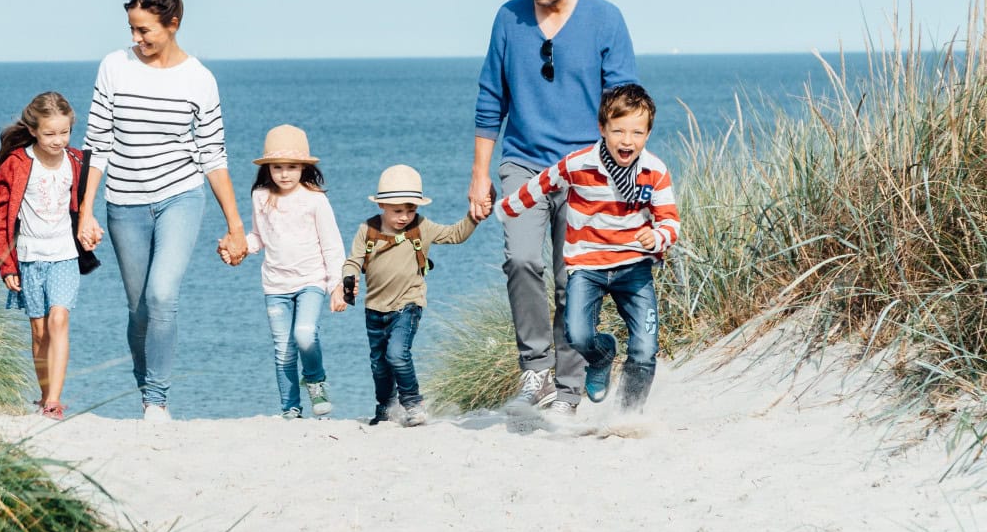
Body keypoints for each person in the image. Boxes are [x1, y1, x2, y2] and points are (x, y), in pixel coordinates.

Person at [468, 0, 638, 420]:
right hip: (522, 162)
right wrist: (480, 176)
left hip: (586, 169)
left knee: (573, 279)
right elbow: (489, 100)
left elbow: (625, 106)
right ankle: (535, 369)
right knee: (522, 259)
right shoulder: (508, 19)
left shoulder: (606, 19)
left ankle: (568, 387)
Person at [76, 0, 248, 423]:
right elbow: (99, 141)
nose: (137, 38)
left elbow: (213, 154)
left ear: (173, 25)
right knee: (138, 311)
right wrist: (85, 210)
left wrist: (236, 225)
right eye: (132, 29)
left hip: (181, 197)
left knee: (162, 296)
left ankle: (157, 400)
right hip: (124, 203)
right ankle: (145, 386)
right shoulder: (114, 66)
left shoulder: (200, 79)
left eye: (145, 30)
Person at [495, 84, 679, 411]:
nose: (627, 140)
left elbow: (669, 220)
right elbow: (542, 183)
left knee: (645, 345)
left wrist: (658, 237)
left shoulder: (655, 171)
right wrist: (507, 208)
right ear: (602, 129)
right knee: (578, 335)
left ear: (648, 134)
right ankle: (601, 354)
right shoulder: (579, 164)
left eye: (637, 132)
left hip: (634, 268)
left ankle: (628, 414)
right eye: (618, 130)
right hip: (587, 267)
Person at [342, 165, 482, 427]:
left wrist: (474, 217)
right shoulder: (367, 230)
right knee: (380, 365)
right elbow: (353, 260)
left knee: (397, 354)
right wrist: (349, 278)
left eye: (411, 209)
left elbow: (455, 235)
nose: (405, 216)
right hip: (374, 308)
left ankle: (414, 404)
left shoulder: (422, 227)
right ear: (382, 205)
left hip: (408, 304)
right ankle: (385, 406)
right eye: (397, 210)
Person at [0, 91, 95, 421]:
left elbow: (83, 207)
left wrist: (90, 227)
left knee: (59, 319)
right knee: (39, 332)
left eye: (64, 132)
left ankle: (54, 402)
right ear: (33, 130)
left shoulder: (77, 162)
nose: (58, 140)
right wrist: (6, 265)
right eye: (50, 133)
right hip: (29, 257)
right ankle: (44, 394)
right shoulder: (17, 164)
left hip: (64, 255)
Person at [228, 125, 347, 419]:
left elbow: (332, 244)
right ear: (267, 168)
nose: (284, 174)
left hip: (311, 281)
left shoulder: (315, 199)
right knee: (283, 350)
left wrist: (339, 285)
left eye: (291, 167)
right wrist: (239, 247)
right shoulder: (260, 196)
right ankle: (290, 409)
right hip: (275, 285)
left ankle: (316, 381)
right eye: (277, 167)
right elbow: (259, 236)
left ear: (303, 168)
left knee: (304, 334)